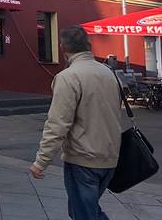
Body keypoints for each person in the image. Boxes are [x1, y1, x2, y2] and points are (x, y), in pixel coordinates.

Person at [30, 26, 122, 220]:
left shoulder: (68, 77)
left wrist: (42, 161)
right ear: (88, 45)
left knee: (83, 213)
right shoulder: (109, 73)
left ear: (63, 47)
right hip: (110, 155)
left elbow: (57, 123)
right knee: (84, 211)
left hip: (83, 157)